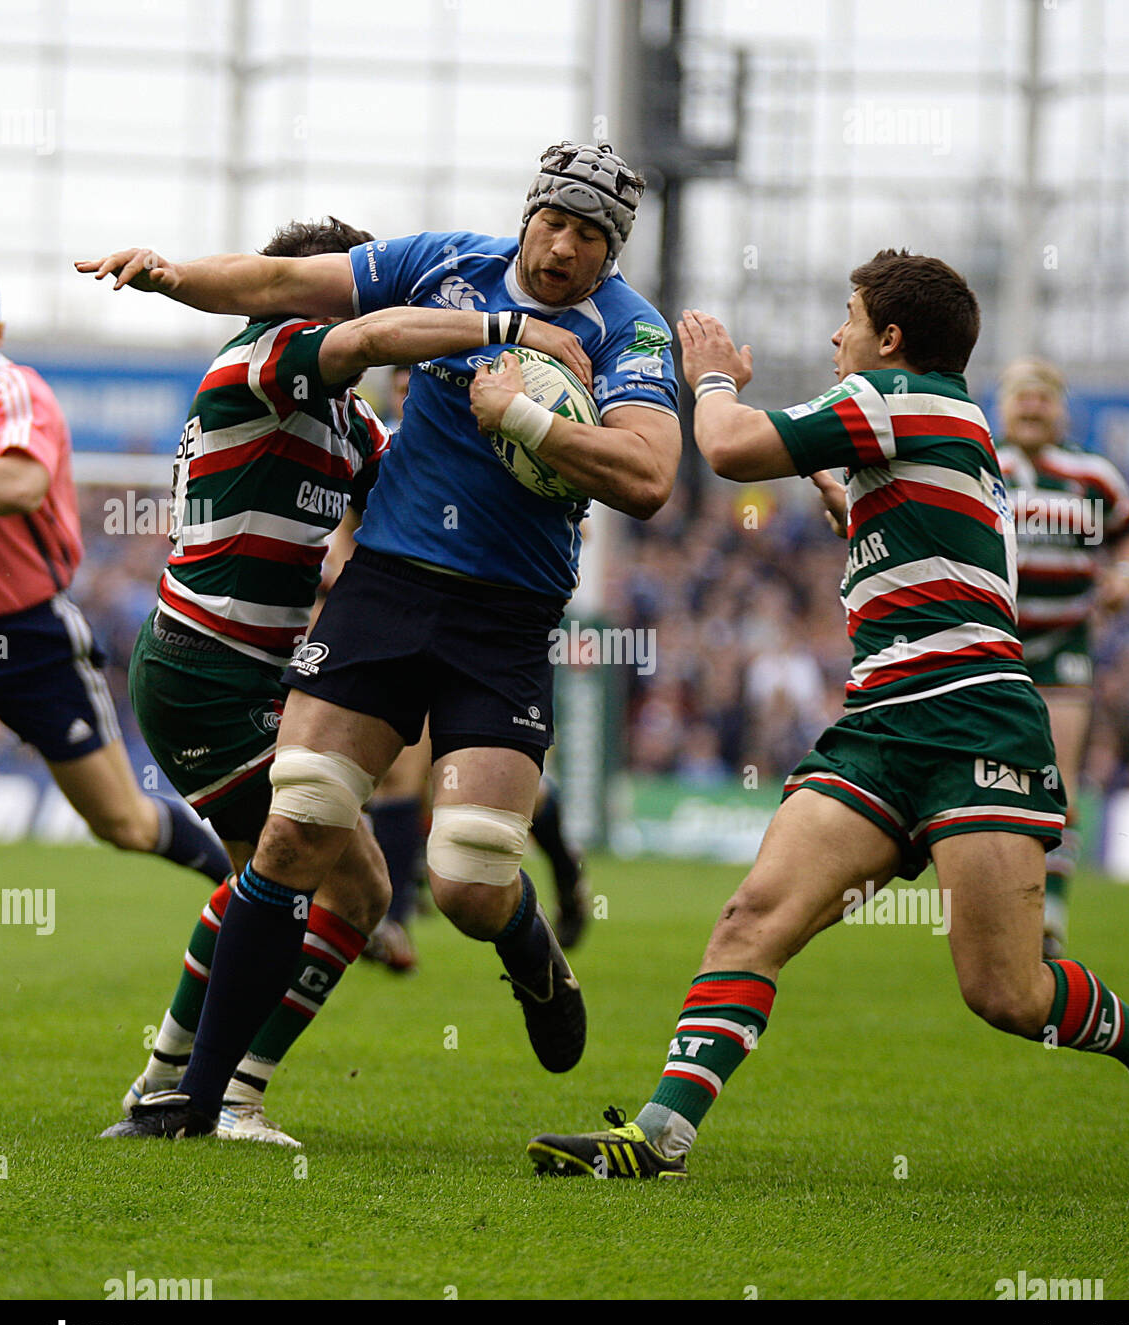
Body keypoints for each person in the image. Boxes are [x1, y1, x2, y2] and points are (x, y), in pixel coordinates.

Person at [527, 252, 1129, 1189]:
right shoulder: (930, 426)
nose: (834, 335)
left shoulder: (900, 397)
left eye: (847, 316)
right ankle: (661, 1137)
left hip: (974, 725)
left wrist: (714, 375)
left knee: (1006, 993)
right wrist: (850, 498)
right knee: (752, 918)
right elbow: (928, 538)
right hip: (881, 727)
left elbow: (727, 448)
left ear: (890, 339)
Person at [77, 139, 680, 1140]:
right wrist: (174, 273)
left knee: (467, 872)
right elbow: (296, 298)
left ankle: (527, 945)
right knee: (300, 828)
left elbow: (650, 479)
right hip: (286, 637)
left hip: (505, 615)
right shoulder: (298, 345)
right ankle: (199, 1097)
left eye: (589, 233)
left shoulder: (628, 336)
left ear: (612, 249)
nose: (565, 244)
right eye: (554, 220)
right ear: (527, 213)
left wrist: (527, 417)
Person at [0, 266, 230, 887]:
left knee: (121, 821)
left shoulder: (14, 391)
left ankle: (253, 893)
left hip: (29, 637)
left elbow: (21, 483)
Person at [996, 357, 1129, 958]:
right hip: (990, 645)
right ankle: (996, 904)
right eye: (1021, 398)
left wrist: (1128, 574)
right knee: (988, 782)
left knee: (1058, 781)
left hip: (1064, 646)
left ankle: (1049, 918)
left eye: (1043, 398)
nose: (1032, 408)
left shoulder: (1094, 475)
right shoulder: (981, 464)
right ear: (1003, 405)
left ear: (1060, 408)